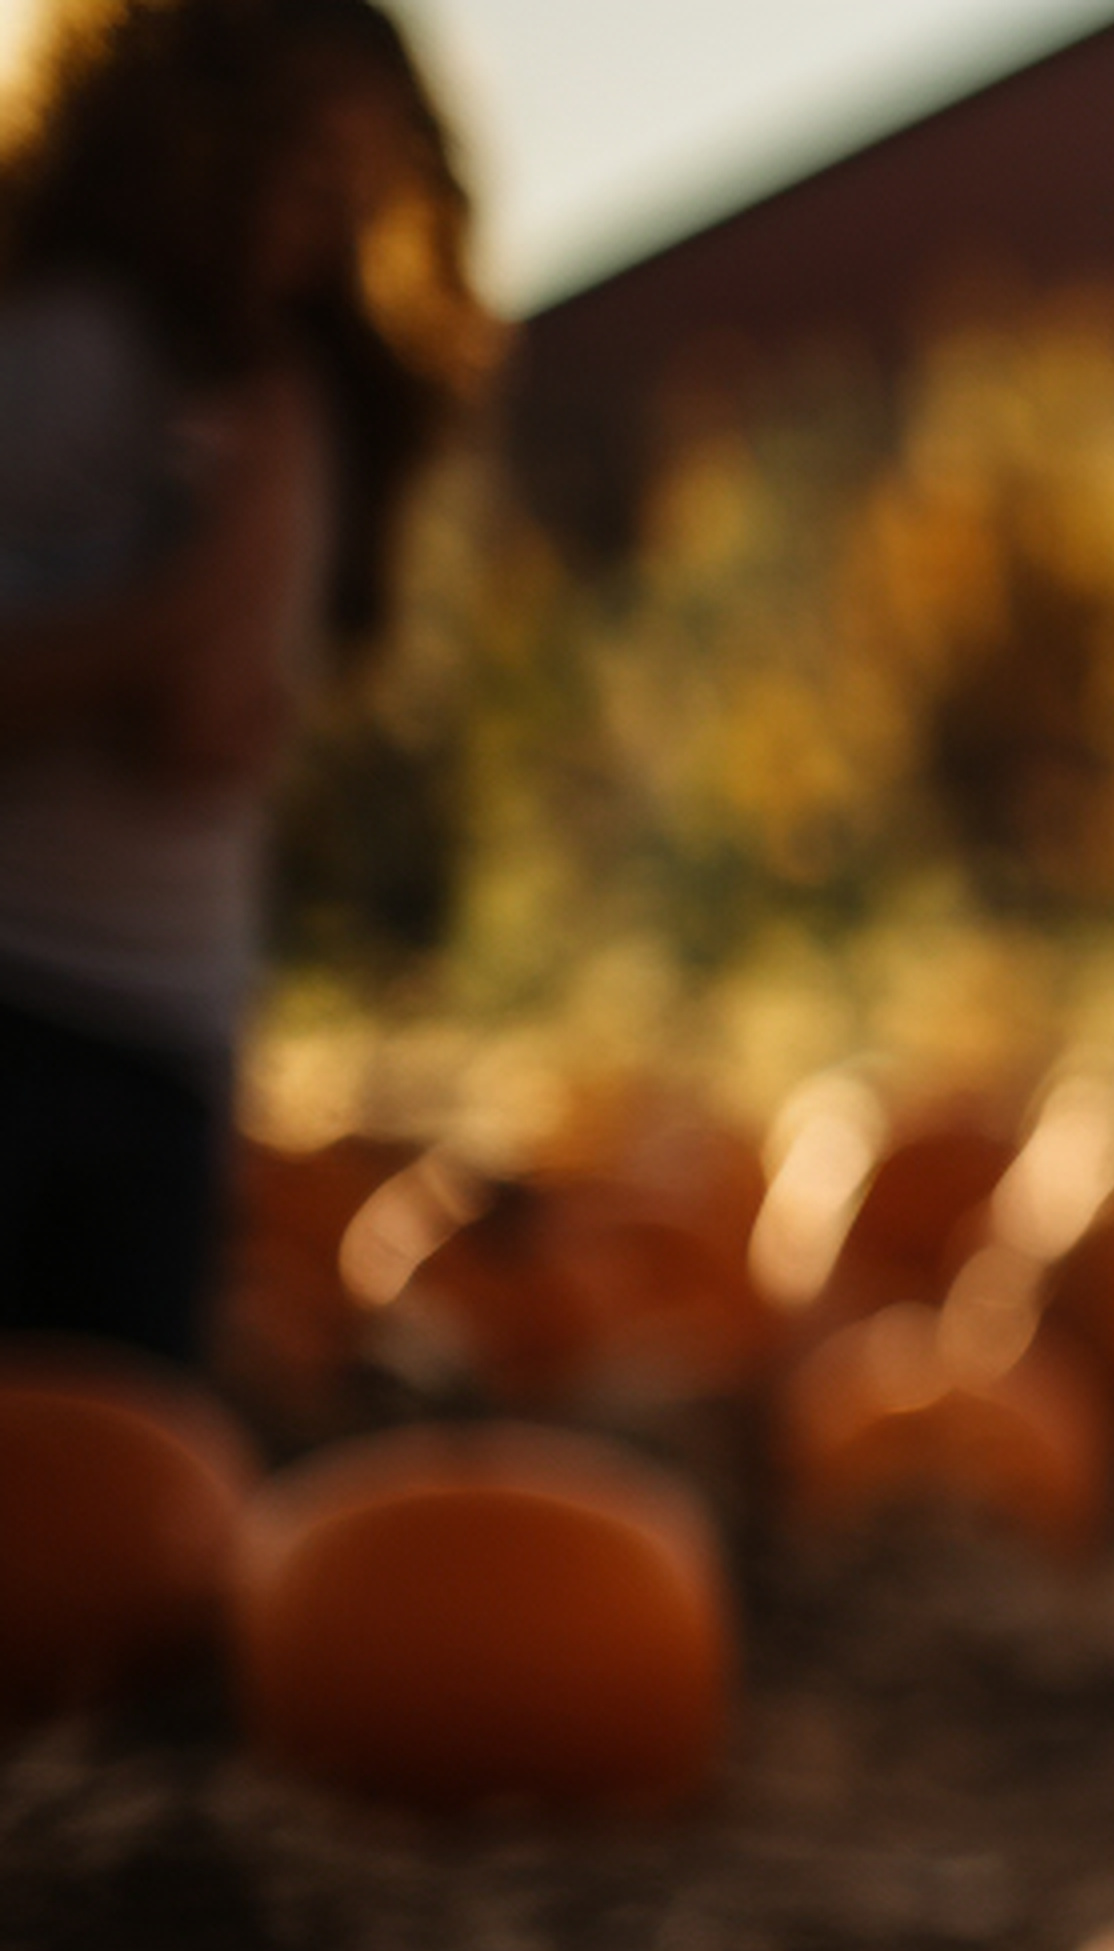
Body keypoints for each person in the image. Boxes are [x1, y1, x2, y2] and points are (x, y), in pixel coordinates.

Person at [0, 0, 490, 1365]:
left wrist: (224, 571)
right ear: (180, 141)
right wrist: (190, 596)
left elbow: (217, 732)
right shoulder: (60, 359)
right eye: (290, 167)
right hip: (16, 987)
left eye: (352, 189)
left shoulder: (293, 405)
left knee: (121, 1456)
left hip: (169, 1025)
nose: (318, 222)